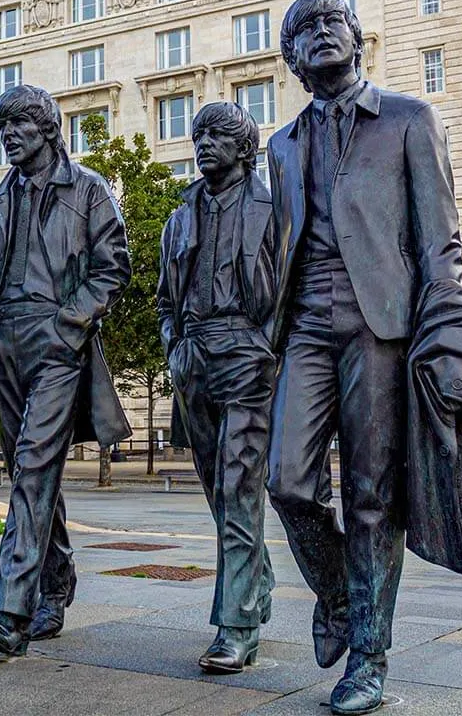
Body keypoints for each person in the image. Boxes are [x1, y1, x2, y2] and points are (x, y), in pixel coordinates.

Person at [265, 0, 462, 715]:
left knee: (372, 497)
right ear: (291, 59)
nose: (320, 35)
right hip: (306, 327)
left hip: (382, 321)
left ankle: (370, 660)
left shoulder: (409, 119)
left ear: (358, 42)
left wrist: (444, 326)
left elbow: (440, 238)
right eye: (303, 31)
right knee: (287, 481)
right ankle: (340, 598)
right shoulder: (280, 144)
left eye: (332, 24)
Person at [0, 85, 132, 656]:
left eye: (18, 123)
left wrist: (72, 324)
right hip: (5, 346)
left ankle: (10, 610)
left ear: (47, 129)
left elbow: (114, 267)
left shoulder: (87, 189)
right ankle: (56, 583)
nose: (8, 133)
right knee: (27, 473)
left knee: (37, 466)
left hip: (57, 341)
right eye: (2, 125)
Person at [157, 102, 277, 673]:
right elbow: (164, 299)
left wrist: (266, 345)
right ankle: (256, 581)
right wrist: (173, 347)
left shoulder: (273, 207)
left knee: (237, 488)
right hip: (194, 357)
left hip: (248, 355)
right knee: (218, 490)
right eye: (199, 134)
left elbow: (293, 286)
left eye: (220, 135)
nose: (204, 143)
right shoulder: (179, 217)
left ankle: (236, 626)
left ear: (244, 148)